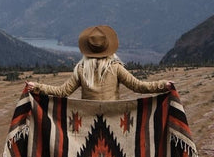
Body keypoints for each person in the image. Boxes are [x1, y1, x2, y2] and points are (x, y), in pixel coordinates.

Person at [25, 25, 173, 101]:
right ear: (108, 47)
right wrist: (163, 85)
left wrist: (37, 87)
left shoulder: (81, 69)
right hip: (112, 120)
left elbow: (62, 92)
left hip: (87, 121)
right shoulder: (115, 68)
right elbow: (138, 86)